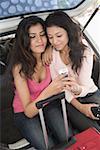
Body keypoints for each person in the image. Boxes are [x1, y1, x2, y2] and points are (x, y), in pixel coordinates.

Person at [8, 15, 70, 149]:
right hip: (26, 111)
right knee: (48, 146)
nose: (40, 41)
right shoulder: (19, 68)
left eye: (42, 35)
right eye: (32, 37)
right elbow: (29, 111)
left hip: (48, 103)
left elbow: (71, 39)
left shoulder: (50, 55)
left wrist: (50, 48)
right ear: (25, 40)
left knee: (67, 137)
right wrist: (49, 91)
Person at [43, 10, 100, 132]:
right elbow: (60, 87)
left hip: (90, 93)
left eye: (59, 36)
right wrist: (81, 107)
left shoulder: (85, 52)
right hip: (71, 101)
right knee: (94, 133)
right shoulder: (51, 55)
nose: (55, 41)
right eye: (50, 37)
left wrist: (77, 89)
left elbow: (84, 85)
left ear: (68, 32)